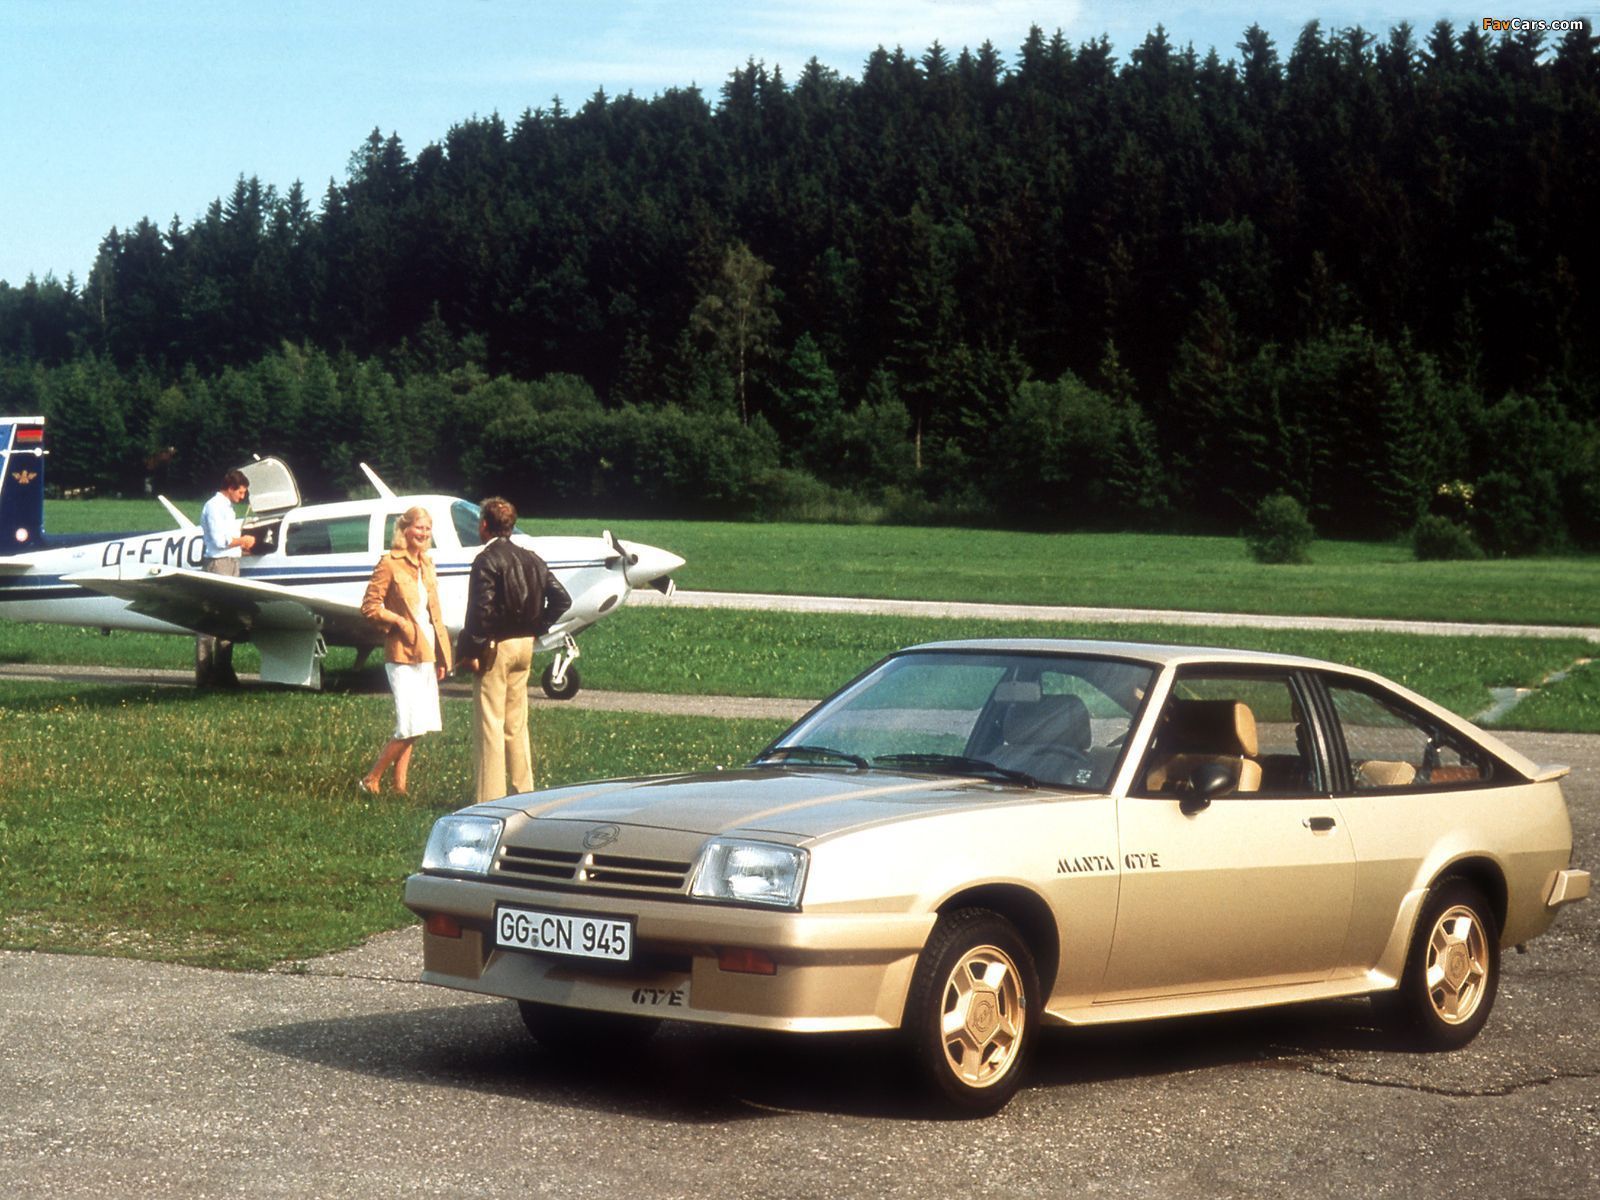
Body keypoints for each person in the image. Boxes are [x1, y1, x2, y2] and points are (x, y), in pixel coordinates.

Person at [457, 497, 570, 803]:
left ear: (483, 525)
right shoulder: (532, 558)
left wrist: (470, 650)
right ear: (510, 524)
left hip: (497, 646)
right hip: (525, 646)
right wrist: (538, 627)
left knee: (490, 723)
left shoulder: (486, 559)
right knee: (517, 724)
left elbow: (480, 612)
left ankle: (489, 799)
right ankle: (525, 794)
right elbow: (562, 599)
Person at [358, 506, 453, 796]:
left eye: (427, 529)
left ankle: (400, 786)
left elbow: (433, 614)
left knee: (420, 723)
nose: (423, 534)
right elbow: (370, 607)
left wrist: (440, 655)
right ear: (405, 529)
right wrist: (398, 620)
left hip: (426, 652)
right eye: (418, 528)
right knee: (409, 722)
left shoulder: (428, 563)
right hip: (401, 654)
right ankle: (370, 779)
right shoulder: (389, 563)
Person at [195, 469, 255, 686]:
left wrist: (243, 548)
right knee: (211, 621)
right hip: (218, 565)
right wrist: (243, 541)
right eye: (241, 492)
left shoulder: (228, 508)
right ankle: (204, 675)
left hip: (231, 563)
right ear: (231, 489)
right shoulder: (214, 506)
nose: (242, 497)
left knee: (229, 620)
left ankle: (223, 673)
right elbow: (220, 541)